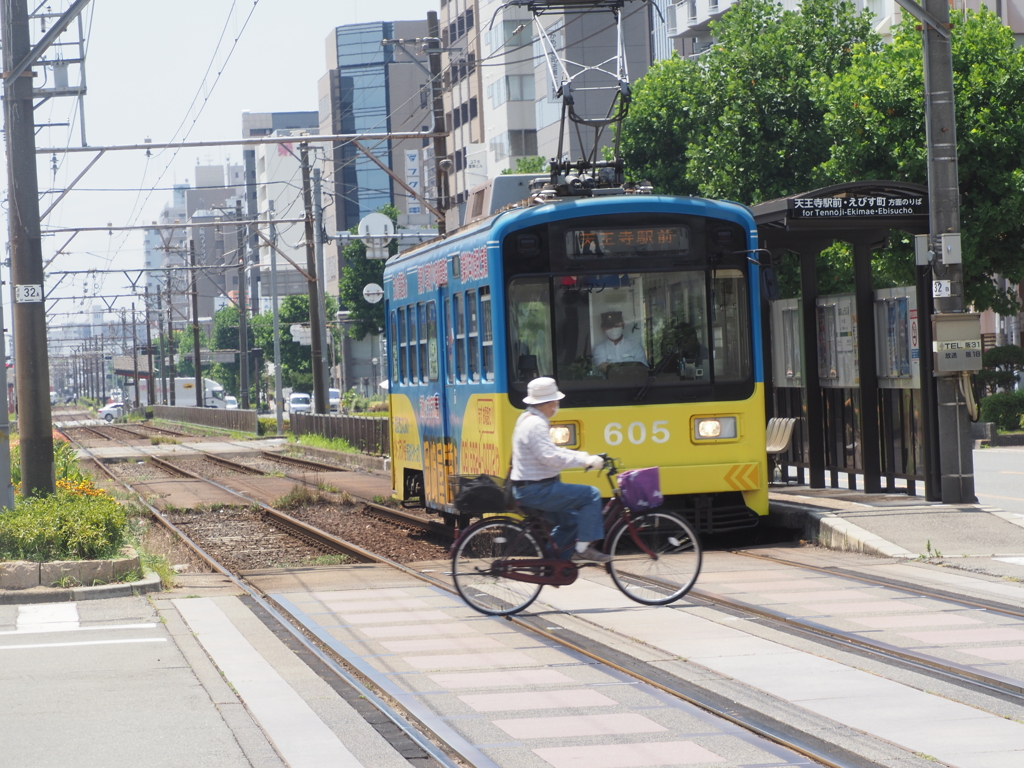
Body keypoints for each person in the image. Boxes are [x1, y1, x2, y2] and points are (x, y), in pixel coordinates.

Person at [510, 377, 611, 563]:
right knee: (592, 495)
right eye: (555, 402)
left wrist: (583, 457)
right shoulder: (536, 425)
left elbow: (552, 451)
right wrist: (584, 461)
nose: (556, 406)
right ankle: (583, 548)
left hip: (529, 488)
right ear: (547, 403)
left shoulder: (527, 418)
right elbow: (551, 458)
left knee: (571, 521)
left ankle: (550, 564)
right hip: (537, 490)